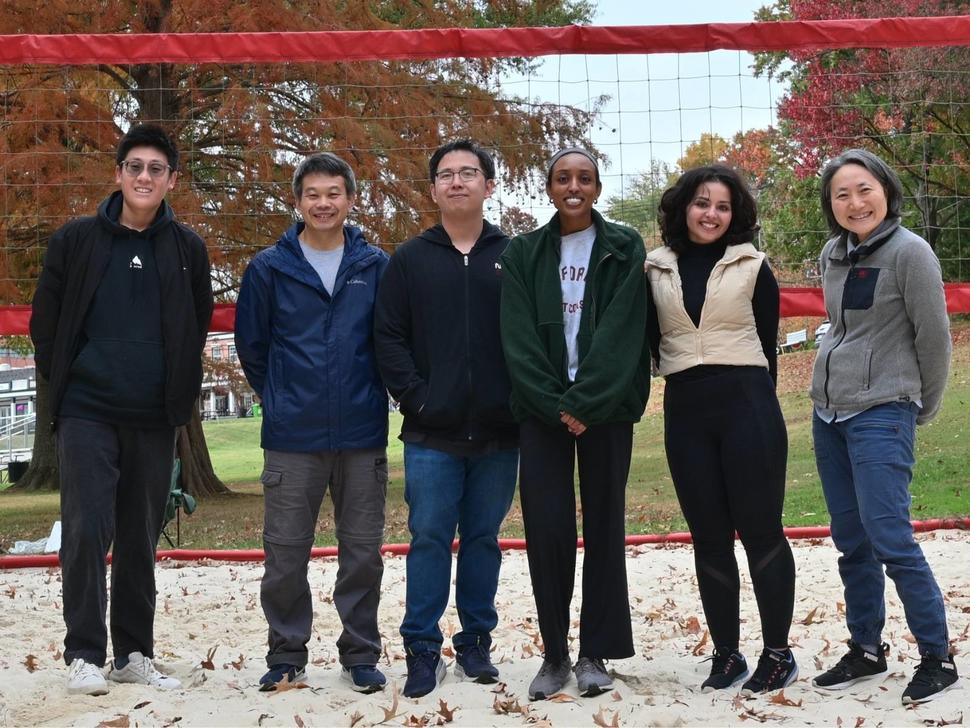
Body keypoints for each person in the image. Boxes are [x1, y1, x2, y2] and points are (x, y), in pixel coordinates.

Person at [30, 123, 213, 695]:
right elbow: (45, 324)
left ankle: (133, 652)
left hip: (154, 416)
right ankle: (84, 652)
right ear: (118, 173)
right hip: (87, 409)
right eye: (134, 165)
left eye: (156, 168)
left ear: (171, 180)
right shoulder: (77, 240)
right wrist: (70, 377)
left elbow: (197, 322)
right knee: (86, 531)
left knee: (139, 537)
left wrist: (175, 395)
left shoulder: (187, 250)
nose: (144, 176)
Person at [235, 153, 390, 694]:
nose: (323, 203)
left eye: (334, 193)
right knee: (284, 554)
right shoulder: (268, 268)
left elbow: (387, 341)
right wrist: (282, 397)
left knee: (363, 554)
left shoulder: (375, 266)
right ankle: (286, 654)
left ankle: (360, 653)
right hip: (291, 437)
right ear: (297, 201)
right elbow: (252, 348)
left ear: (350, 199)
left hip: (361, 433)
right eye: (313, 194)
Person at [500, 147, 651, 701]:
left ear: (597, 187)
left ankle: (595, 652)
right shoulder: (523, 253)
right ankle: (556, 652)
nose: (574, 186)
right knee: (548, 528)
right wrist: (555, 404)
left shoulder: (623, 245)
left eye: (584, 178)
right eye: (563, 177)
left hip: (606, 409)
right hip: (541, 413)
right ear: (548, 187)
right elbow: (516, 341)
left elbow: (622, 332)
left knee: (605, 525)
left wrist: (584, 402)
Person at [809, 149, 958, 705]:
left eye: (864, 189)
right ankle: (866, 649)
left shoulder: (911, 253)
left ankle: (936, 656)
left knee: (891, 539)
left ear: (887, 191)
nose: (855, 202)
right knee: (852, 542)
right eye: (842, 193)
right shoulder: (833, 253)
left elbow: (935, 339)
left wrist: (921, 407)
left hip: (882, 411)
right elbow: (841, 329)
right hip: (829, 413)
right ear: (831, 205)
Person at [374, 140, 519, 699]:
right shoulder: (409, 259)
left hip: (500, 429)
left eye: (469, 173)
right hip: (432, 430)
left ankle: (476, 643)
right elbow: (387, 336)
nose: (458, 182)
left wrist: (516, 399)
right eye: (447, 175)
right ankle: (422, 648)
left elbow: (532, 337)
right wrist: (416, 397)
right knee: (430, 537)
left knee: (483, 538)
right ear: (433, 189)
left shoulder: (515, 254)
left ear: (488, 184)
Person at [645, 165, 797, 696]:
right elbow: (646, 345)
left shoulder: (754, 265)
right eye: (702, 202)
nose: (711, 214)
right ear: (683, 206)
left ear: (736, 215)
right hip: (685, 411)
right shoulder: (654, 268)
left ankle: (778, 654)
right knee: (708, 537)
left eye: (723, 206)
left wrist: (755, 408)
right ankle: (727, 655)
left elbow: (768, 349)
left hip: (746, 405)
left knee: (761, 532)